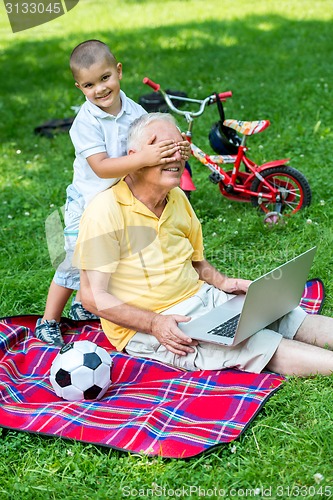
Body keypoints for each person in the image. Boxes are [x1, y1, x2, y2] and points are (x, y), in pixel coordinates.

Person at [73, 112, 333, 376]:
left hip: (202, 299)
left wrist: (223, 283)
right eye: (163, 148)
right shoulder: (105, 211)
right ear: (134, 156)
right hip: (153, 324)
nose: (176, 156)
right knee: (256, 344)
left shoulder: (176, 197)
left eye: (179, 147)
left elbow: (196, 262)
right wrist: (155, 323)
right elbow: (92, 297)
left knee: (288, 316)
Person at [35, 40, 190, 347]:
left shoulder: (135, 111)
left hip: (118, 199)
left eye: (105, 78)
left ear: (118, 71)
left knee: (108, 258)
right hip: (88, 200)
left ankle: (83, 304)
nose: (100, 89)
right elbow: (102, 167)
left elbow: (150, 141)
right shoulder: (85, 123)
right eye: (90, 85)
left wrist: (174, 150)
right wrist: (144, 159)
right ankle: (49, 320)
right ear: (80, 87)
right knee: (74, 262)